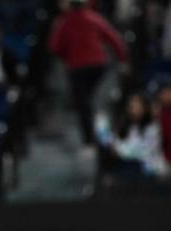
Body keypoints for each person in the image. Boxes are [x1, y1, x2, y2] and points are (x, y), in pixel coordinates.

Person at [49, 0, 128, 146]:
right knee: (88, 100)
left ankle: (90, 138)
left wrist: (66, 55)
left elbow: (54, 47)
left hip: (77, 67)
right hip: (98, 65)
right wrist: (123, 58)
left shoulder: (64, 21)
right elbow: (115, 39)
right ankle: (98, 128)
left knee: (83, 103)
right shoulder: (94, 17)